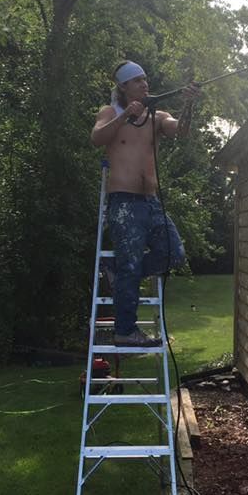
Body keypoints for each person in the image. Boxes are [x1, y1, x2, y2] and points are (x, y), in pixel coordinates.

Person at [91, 60, 199, 347]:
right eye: (137, 80)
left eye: (145, 79)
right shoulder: (110, 112)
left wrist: (188, 105)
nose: (144, 83)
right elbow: (96, 138)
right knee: (130, 264)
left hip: (151, 202)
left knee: (173, 253)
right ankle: (125, 331)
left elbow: (182, 131)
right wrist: (126, 114)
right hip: (123, 202)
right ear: (123, 86)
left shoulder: (157, 115)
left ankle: (119, 271)